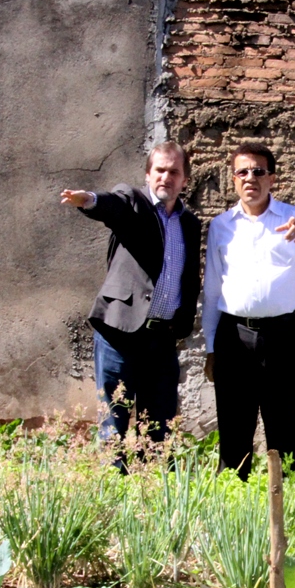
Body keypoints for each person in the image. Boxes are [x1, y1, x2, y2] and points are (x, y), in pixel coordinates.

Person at [60, 141, 202, 449]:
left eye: (174, 172)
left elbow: (190, 276)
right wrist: (88, 200)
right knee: (114, 423)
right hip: (120, 332)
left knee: (159, 429)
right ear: (148, 175)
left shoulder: (189, 223)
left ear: (184, 180)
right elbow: (112, 204)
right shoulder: (134, 202)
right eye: (160, 170)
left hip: (162, 338)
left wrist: (183, 323)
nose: (166, 177)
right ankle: (115, 492)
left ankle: (150, 490)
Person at [202, 142, 295, 480]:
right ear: (233, 179)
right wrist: (211, 347)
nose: (250, 178)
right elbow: (212, 289)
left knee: (284, 427)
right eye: (242, 172)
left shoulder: (293, 217)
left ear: (272, 178)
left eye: (258, 171)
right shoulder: (221, 225)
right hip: (233, 336)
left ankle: (287, 506)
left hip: (281, 335)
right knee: (233, 428)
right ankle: (231, 503)